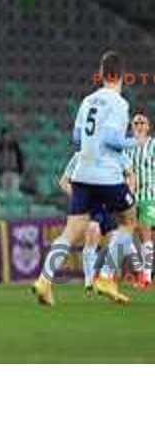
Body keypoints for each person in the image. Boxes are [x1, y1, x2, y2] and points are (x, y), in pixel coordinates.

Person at [33, 50, 137, 306]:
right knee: (128, 221)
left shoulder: (88, 100)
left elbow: (78, 139)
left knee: (70, 231)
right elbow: (113, 139)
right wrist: (136, 141)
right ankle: (106, 276)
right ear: (122, 75)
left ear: (101, 74)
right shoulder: (119, 103)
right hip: (107, 175)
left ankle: (44, 280)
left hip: (82, 173)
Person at [59, 151, 134, 292]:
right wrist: (80, 199)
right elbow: (63, 182)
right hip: (93, 206)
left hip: (112, 206)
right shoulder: (80, 156)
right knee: (93, 232)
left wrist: (127, 196)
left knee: (120, 240)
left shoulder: (116, 155)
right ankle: (89, 280)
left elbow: (131, 175)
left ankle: (109, 277)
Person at [127, 110, 155, 286]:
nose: (139, 126)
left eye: (142, 123)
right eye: (136, 123)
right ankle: (140, 269)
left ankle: (145, 276)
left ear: (148, 126)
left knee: (145, 233)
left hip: (150, 196)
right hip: (130, 196)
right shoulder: (126, 146)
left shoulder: (153, 145)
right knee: (128, 233)